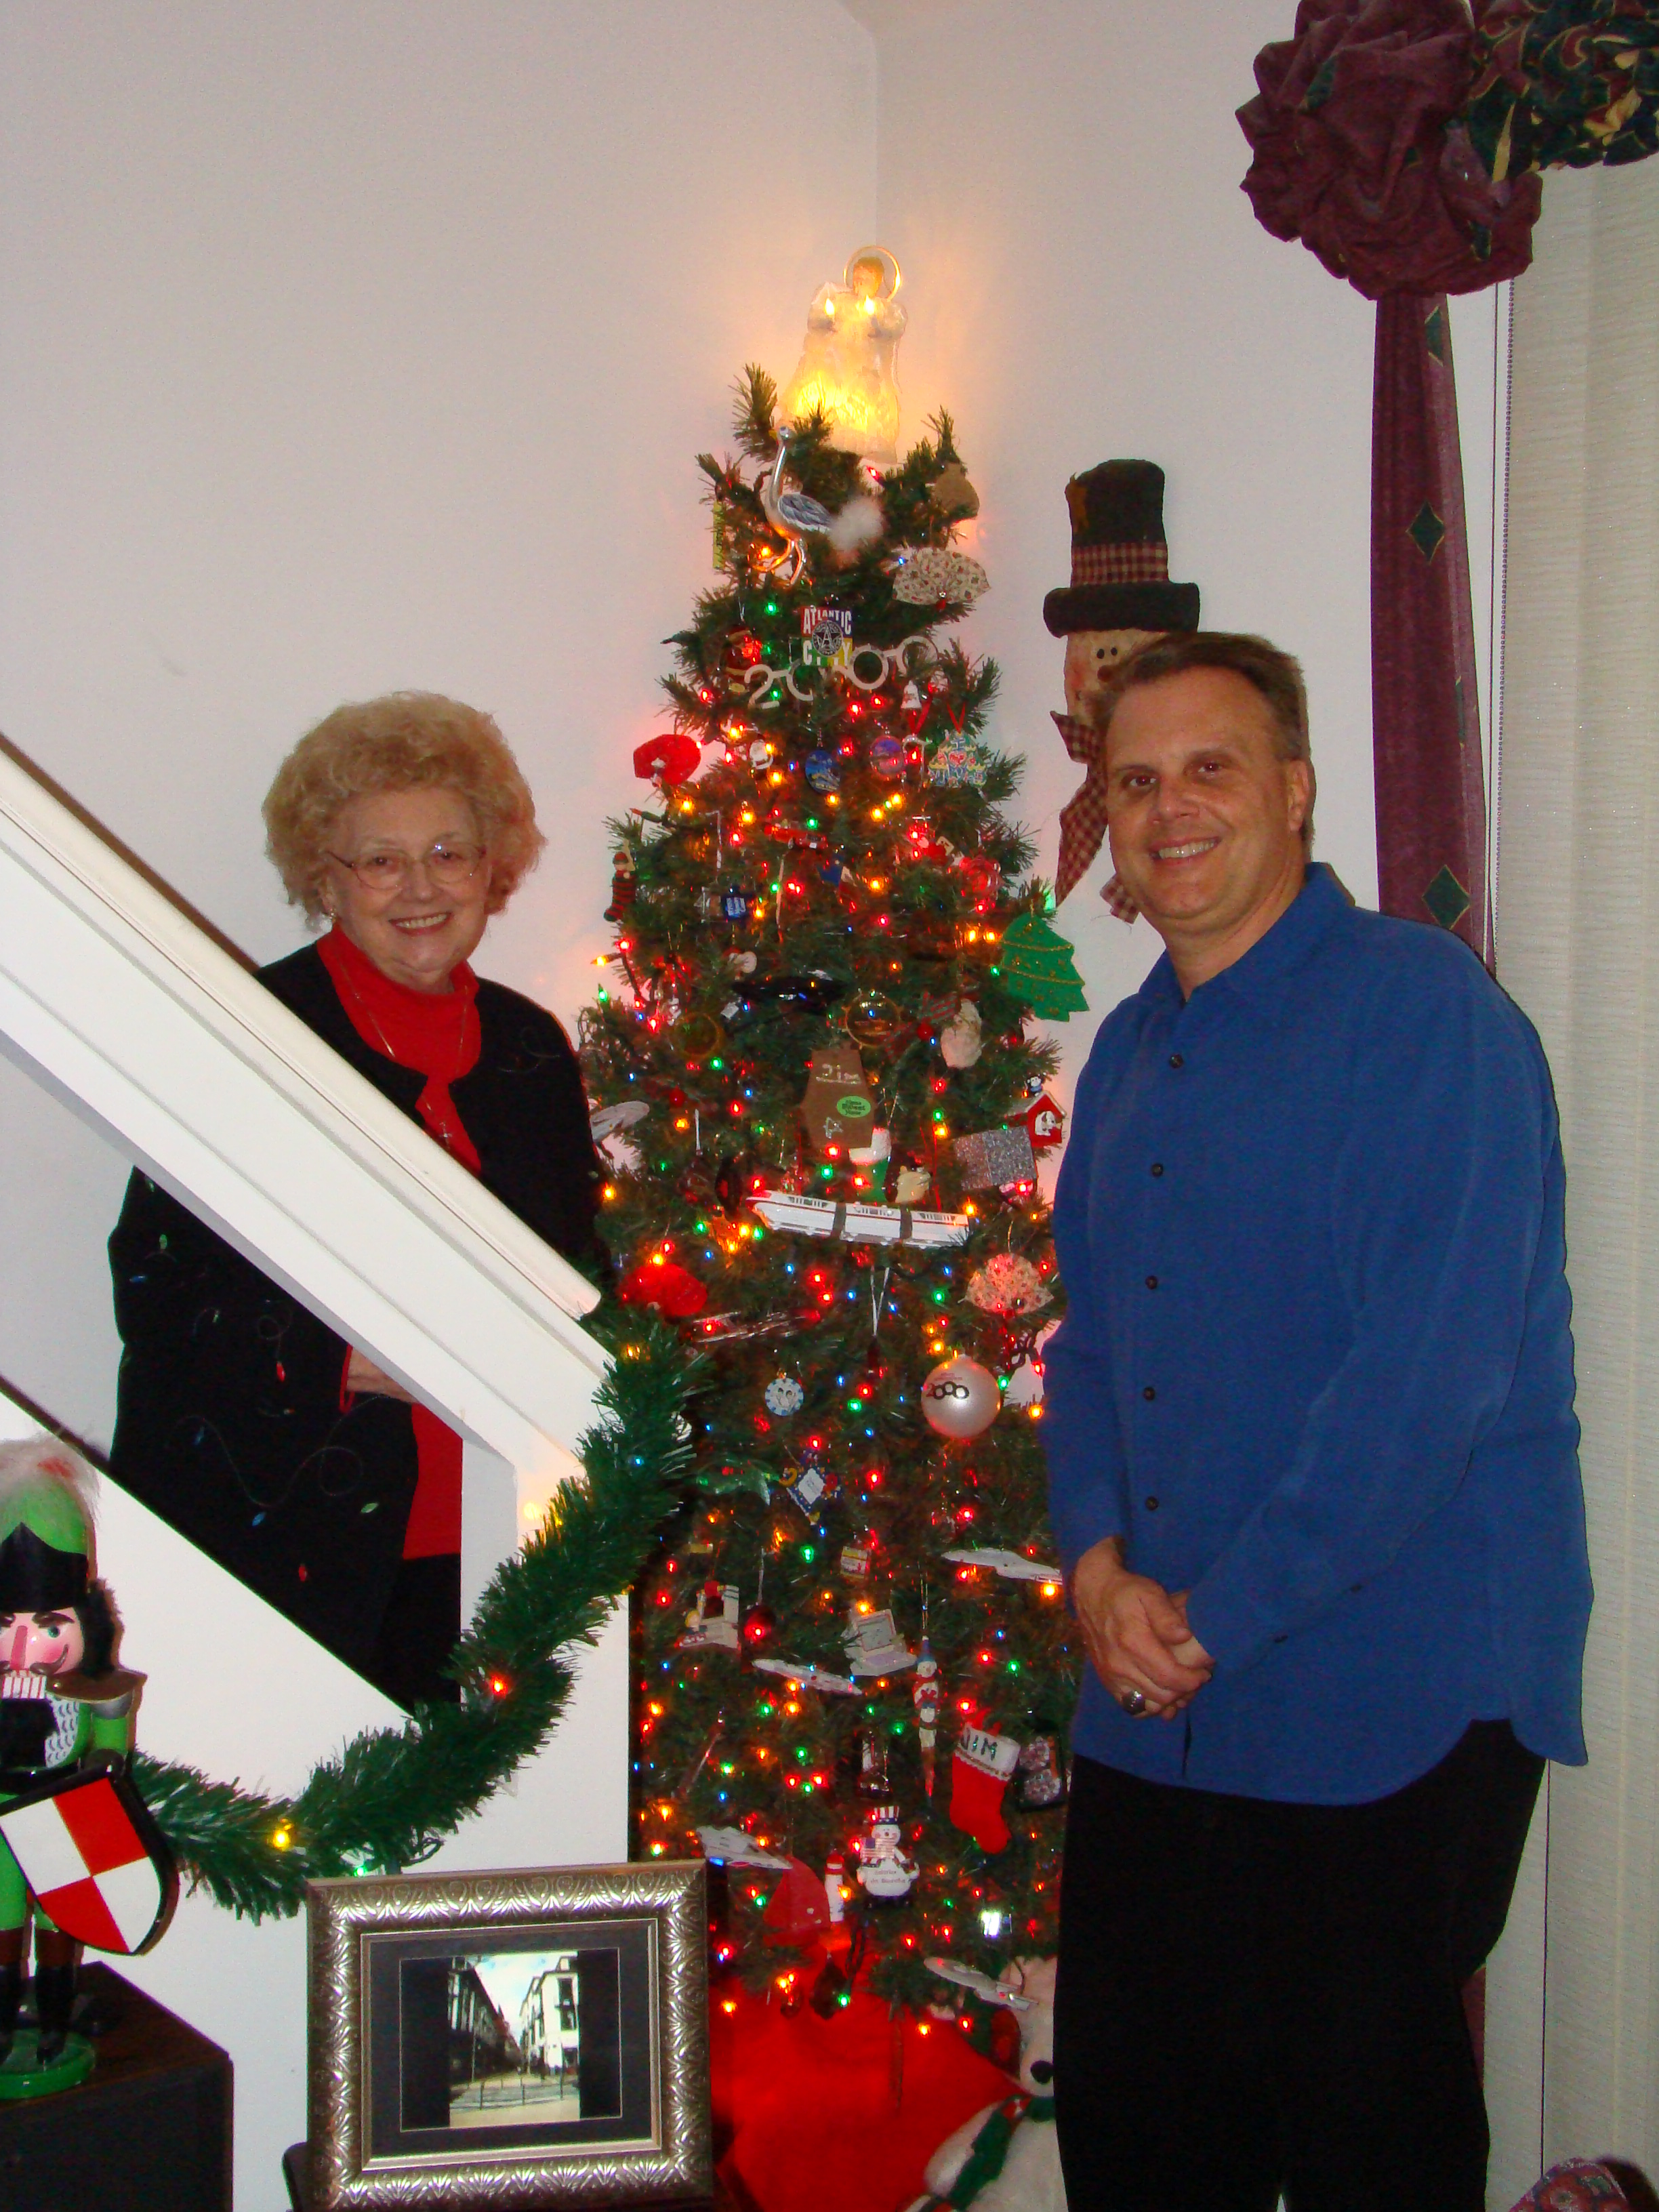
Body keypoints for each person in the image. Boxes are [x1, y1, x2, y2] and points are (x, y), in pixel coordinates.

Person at [1042, 632, 1591, 2211]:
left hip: (1387, 1688)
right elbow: (1090, 1346)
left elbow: (1421, 1390)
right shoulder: (1130, 1045)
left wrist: (1218, 1618)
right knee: (1137, 2135)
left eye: (1209, 768)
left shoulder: (1426, 1017)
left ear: (1295, 789)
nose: (1169, 809)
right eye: (1135, 781)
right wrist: (1094, 1567)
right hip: (1155, 1690)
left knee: (1366, 2148)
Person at [108, 693, 602, 1708]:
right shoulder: (251, 1032)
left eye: (449, 854)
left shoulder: (529, 1047)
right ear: (325, 878)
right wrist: (351, 1358)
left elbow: (576, 1268)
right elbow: (157, 1289)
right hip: (295, 1537)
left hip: (499, 1529)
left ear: (491, 866)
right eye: (382, 860)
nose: (421, 888)